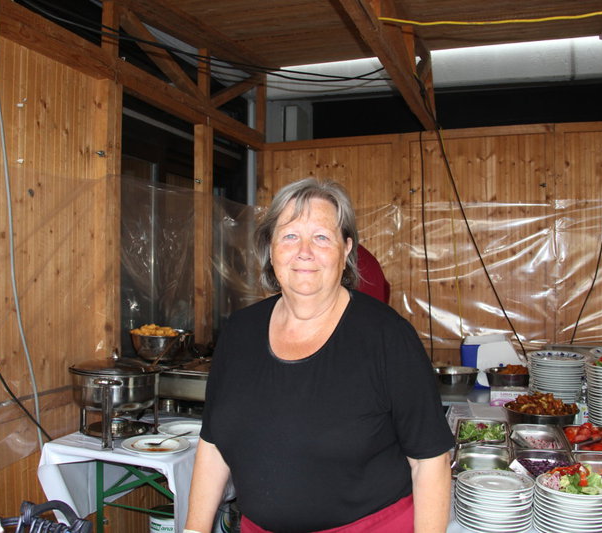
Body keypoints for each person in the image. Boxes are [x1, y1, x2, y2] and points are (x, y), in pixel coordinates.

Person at [185, 178, 453, 533]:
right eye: (290, 235)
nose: (304, 251)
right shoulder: (239, 331)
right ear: (270, 248)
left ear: (346, 250)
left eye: (322, 237)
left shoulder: (387, 337)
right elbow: (213, 444)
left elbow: (430, 462)